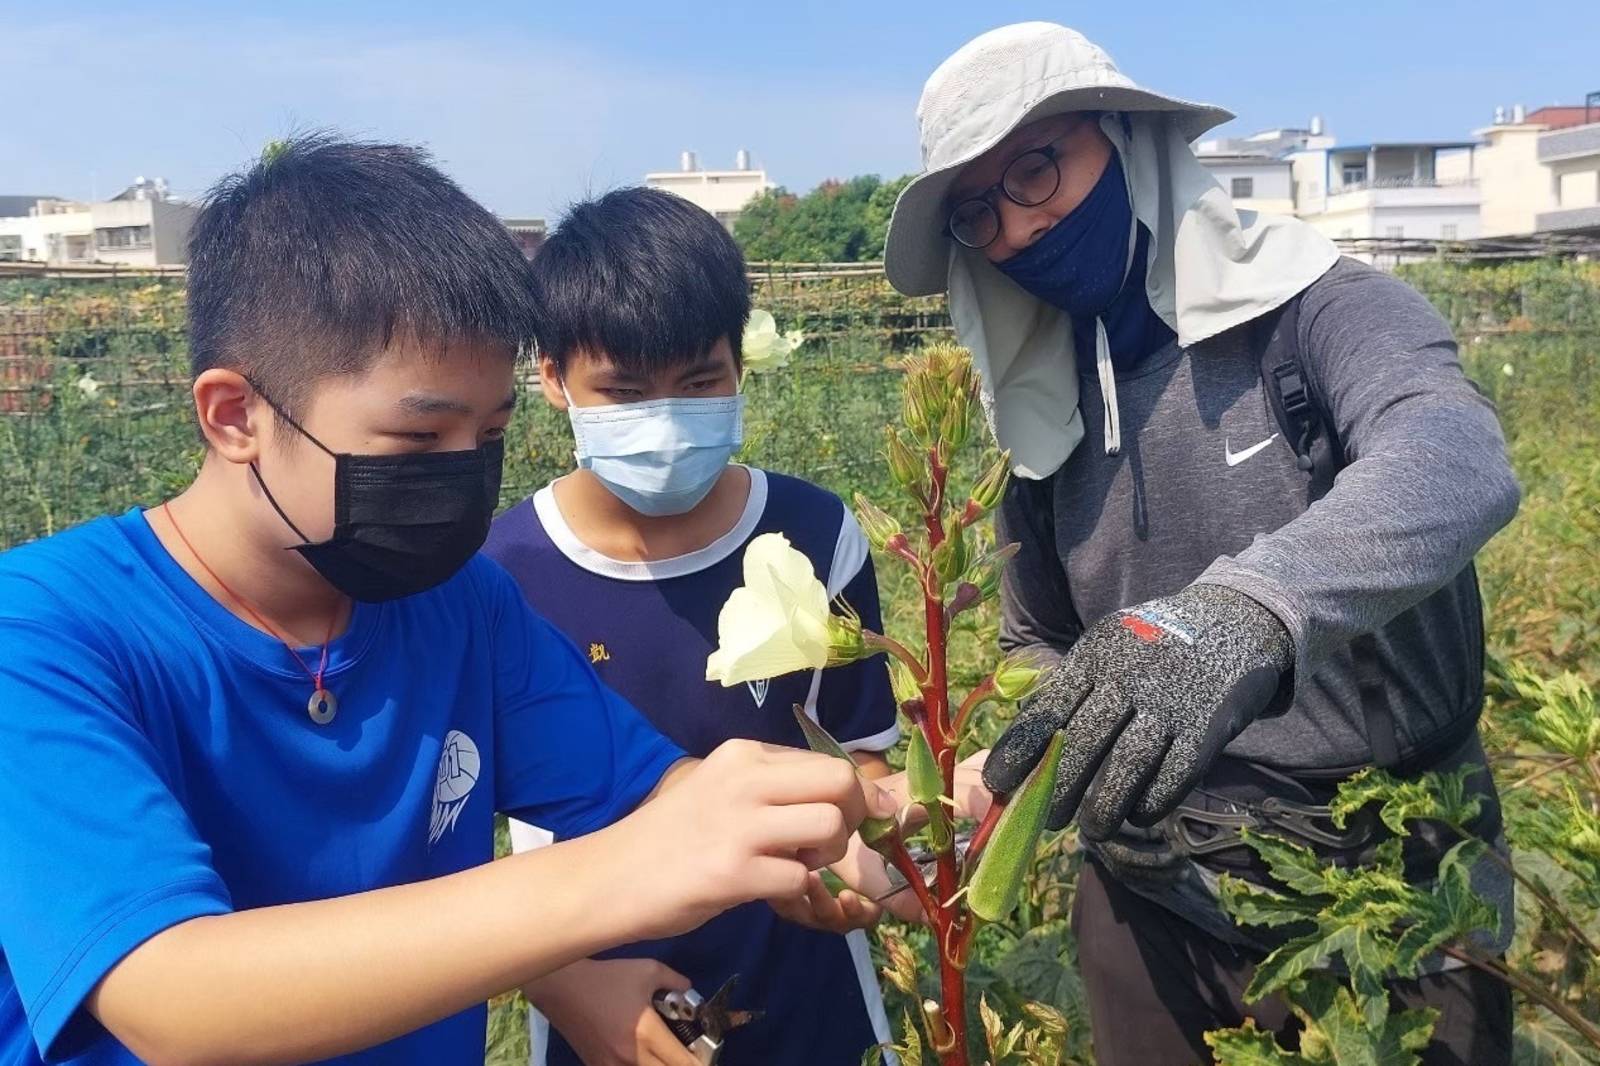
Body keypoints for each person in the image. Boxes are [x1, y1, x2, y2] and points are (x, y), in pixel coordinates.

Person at [0, 135, 892, 1066]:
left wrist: (852, 823)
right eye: (421, 437)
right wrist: (614, 885)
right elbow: (170, 995)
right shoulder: (45, 636)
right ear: (236, 416)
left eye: (492, 432)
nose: (464, 475)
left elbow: (654, 791)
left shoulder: (459, 604)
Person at [882, 23, 1521, 1066]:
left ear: (1130, 140)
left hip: (1391, 893)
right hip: (1150, 902)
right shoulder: (1045, 412)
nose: (1015, 228)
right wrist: (1068, 751)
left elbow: (1451, 455)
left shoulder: (1316, 309)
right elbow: (1031, 636)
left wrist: (1249, 609)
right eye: (977, 212)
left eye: (1036, 170)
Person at [484, 186, 906, 1066]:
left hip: (810, 985)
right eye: (627, 391)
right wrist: (558, 978)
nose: (668, 421)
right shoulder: (499, 572)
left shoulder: (815, 532)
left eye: (700, 383)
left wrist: (877, 852)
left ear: (738, 369)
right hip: (600, 999)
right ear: (553, 378)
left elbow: (861, 754)